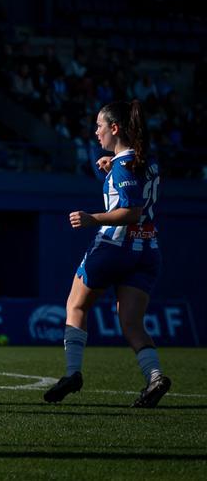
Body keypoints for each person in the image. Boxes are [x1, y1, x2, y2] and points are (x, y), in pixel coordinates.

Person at [43, 100, 170, 407]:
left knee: (76, 306)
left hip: (113, 248)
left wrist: (92, 219)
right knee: (131, 322)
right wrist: (109, 167)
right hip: (147, 251)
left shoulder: (124, 166)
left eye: (100, 125)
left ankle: (73, 373)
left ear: (115, 128)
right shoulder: (146, 161)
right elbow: (133, 193)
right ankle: (155, 377)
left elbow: (131, 210)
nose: (96, 131)